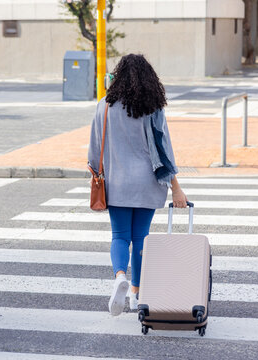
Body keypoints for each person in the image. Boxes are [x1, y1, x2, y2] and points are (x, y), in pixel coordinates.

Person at [87, 54, 188, 316]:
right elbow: (164, 150)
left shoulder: (104, 106)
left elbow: (94, 150)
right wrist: (176, 187)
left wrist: (98, 172)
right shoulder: (153, 108)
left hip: (117, 183)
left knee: (119, 236)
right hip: (147, 183)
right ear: (149, 79)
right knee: (140, 238)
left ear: (118, 78)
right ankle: (135, 293)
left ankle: (120, 275)